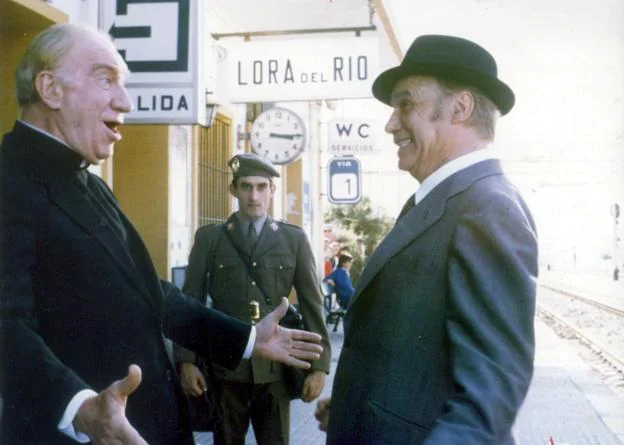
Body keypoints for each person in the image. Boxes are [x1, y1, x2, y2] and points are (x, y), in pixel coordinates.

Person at [0, 23, 323, 445]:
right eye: (106, 79)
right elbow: (7, 324)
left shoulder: (89, 181)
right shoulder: (10, 181)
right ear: (51, 89)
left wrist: (246, 338)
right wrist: (77, 408)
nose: (126, 101)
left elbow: (151, 293)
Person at [315, 35, 538, 444]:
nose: (390, 123)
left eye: (405, 104)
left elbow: (489, 401)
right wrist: (355, 406)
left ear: (461, 107)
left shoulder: (487, 207)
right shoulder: (446, 200)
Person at [175, 152, 331, 445]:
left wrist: (320, 367)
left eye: (262, 187)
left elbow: (312, 303)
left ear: (272, 190)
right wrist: (187, 360)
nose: (254, 196)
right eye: (246, 186)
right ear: (233, 189)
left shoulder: (293, 239)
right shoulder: (211, 238)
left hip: (276, 370)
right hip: (225, 366)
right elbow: (191, 300)